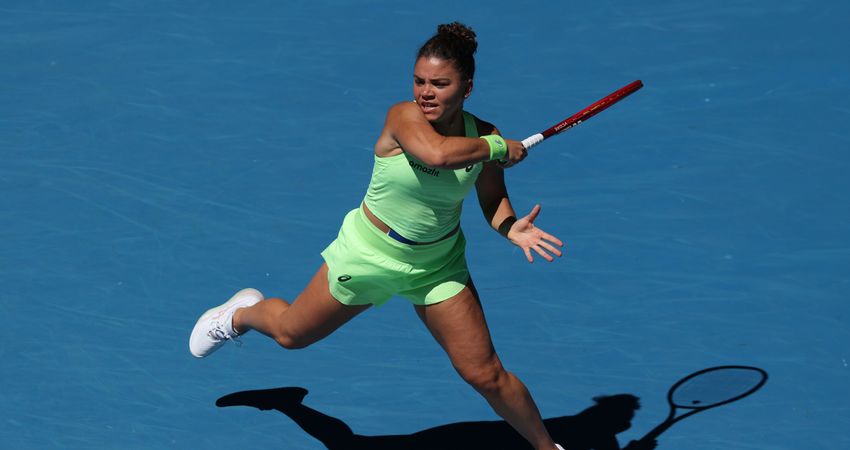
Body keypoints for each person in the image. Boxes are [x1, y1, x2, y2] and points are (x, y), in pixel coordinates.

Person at [190, 22, 565, 450]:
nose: (426, 93)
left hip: (436, 267)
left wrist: (510, 226)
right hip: (368, 254)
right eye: (419, 81)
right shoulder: (405, 117)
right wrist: (497, 148)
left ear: (467, 88)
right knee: (291, 335)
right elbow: (437, 155)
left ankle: (547, 447)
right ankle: (239, 315)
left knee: (485, 373)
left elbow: (492, 196)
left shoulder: (485, 134)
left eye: (440, 84)